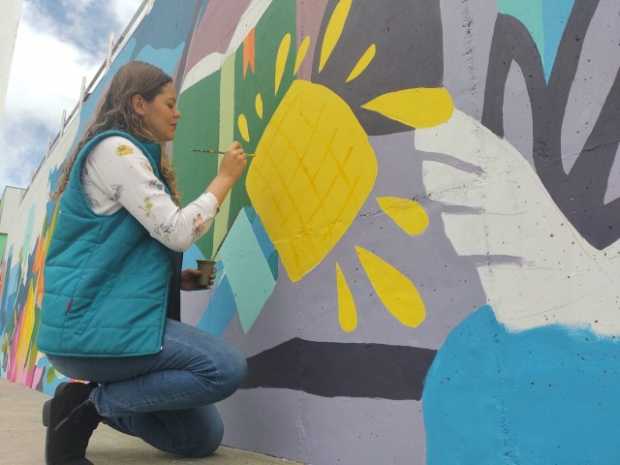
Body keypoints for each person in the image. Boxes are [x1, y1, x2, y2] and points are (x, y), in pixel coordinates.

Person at [36, 60, 249, 465]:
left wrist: (192, 278)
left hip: (116, 324)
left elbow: (141, 256)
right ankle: (85, 407)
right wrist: (224, 179)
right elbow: (177, 231)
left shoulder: (136, 160)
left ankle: (85, 405)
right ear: (138, 104)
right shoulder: (115, 151)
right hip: (93, 330)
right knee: (224, 368)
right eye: (169, 104)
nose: (178, 113)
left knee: (201, 438)